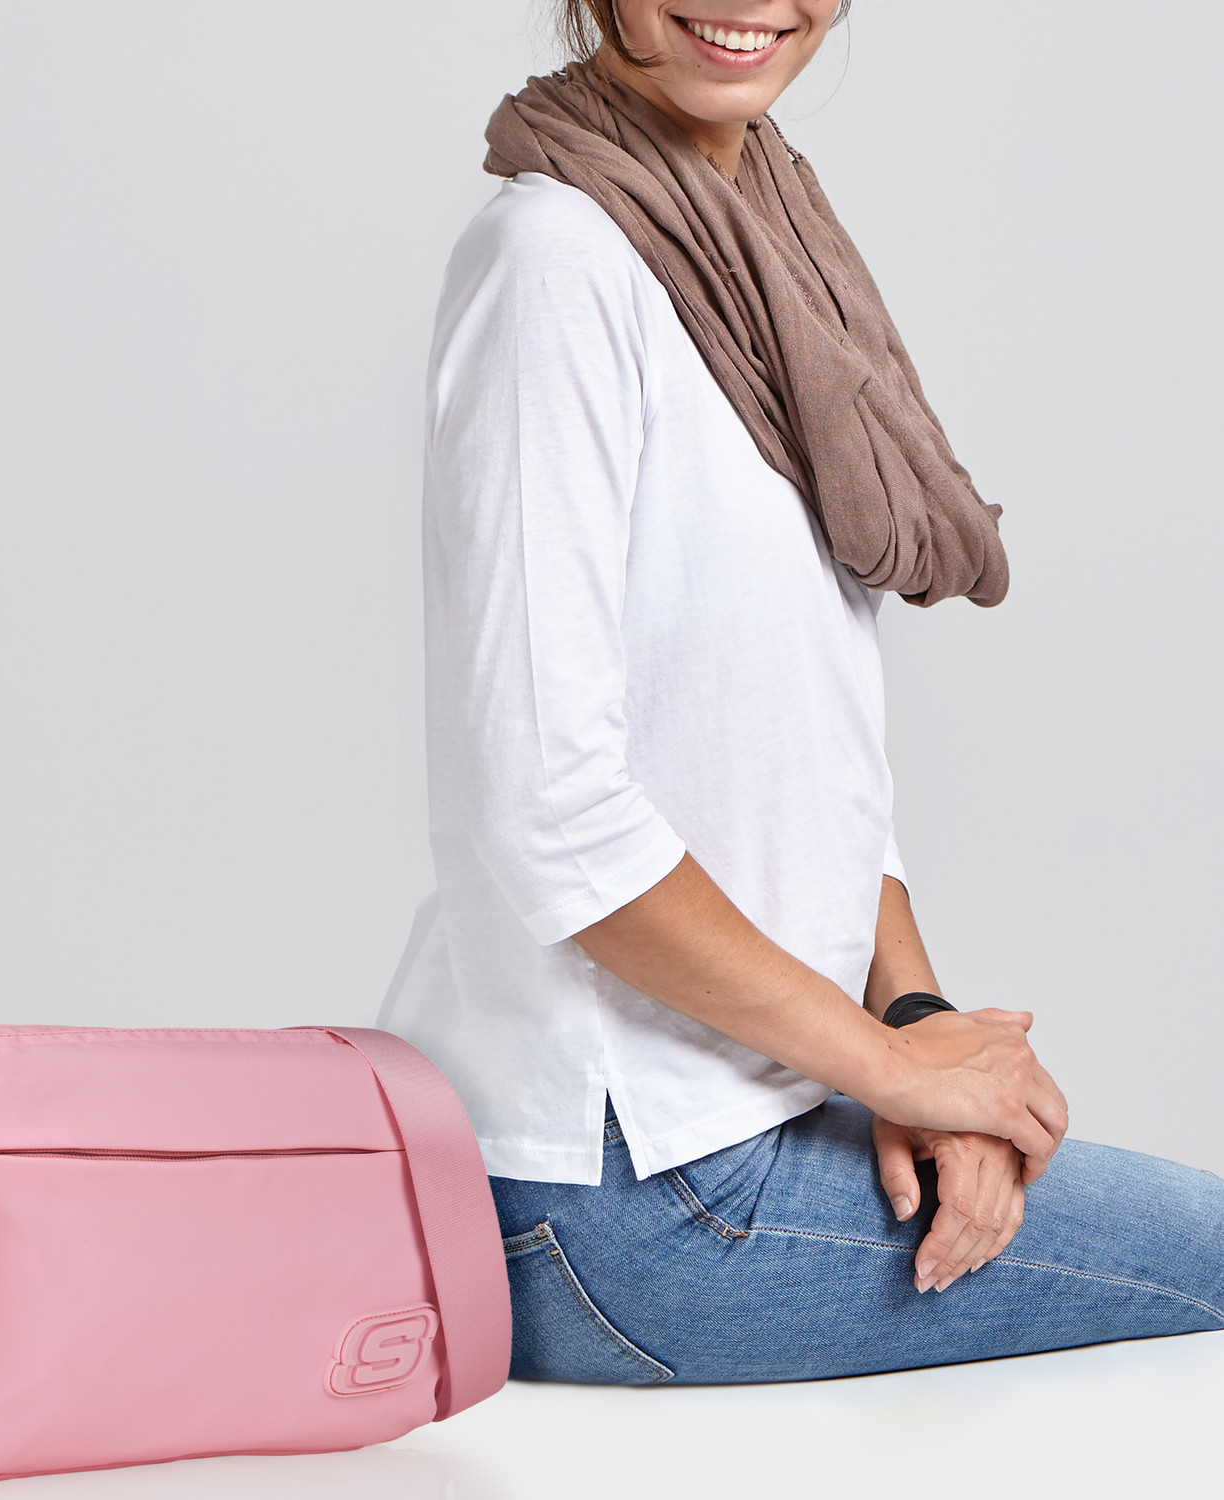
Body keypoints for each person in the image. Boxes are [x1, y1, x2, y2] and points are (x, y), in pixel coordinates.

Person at [377, 0, 1224, 1384]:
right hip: (624, 1187)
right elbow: (550, 817)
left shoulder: (768, 240)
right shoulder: (557, 261)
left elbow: (796, 750)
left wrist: (918, 1034)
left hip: (742, 1115)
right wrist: (889, 1073)